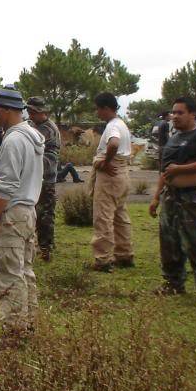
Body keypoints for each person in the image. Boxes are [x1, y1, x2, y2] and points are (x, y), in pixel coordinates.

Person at [149, 97, 196, 306]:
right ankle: (173, 283)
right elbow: (165, 170)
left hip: (192, 196)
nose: (175, 116)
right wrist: (156, 197)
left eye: (180, 112)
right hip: (170, 197)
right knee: (169, 241)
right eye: (173, 112)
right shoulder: (173, 138)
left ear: (193, 114)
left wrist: (180, 169)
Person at [0, 86, 44, 335]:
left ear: (8, 110)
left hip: (11, 215)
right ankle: (29, 323)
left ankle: (14, 332)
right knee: (25, 271)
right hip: (28, 213)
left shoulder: (14, 140)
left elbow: (7, 186)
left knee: (9, 274)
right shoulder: (32, 136)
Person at [89, 92, 134, 272]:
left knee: (103, 216)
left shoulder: (112, 126)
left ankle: (103, 259)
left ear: (106, 108)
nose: (97, 112)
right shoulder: (122, 124)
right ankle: (124, 254)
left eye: (98, 109)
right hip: (122, 174)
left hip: (110, 175)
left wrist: (106, 162)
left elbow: (113, 144)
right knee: (120, 216)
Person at [26, 96, 59, 261]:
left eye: (33, 112)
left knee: (45, 214)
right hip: (35, 176)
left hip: (46, 178)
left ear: (42, 112)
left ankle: (46, 248)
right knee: (35, 212)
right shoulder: (33, 125)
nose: (30, 115)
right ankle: (41, 245)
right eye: (29, 112)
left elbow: (30, 144)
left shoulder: (48, 129)